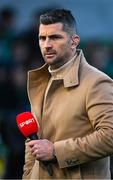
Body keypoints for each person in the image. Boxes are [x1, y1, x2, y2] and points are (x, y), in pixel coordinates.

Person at [22, 9, 113, 179]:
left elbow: (110, 137)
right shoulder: (40, 81)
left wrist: (56, 151)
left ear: (74, 41)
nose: (47, 44)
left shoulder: (97, 82)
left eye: (55, 37)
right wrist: (28, 175)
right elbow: (33, 142)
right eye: (42, 38)